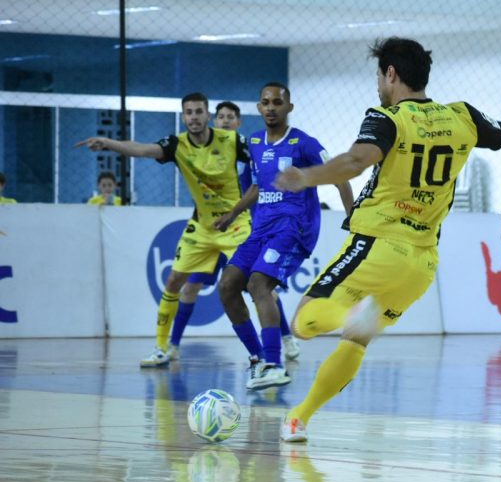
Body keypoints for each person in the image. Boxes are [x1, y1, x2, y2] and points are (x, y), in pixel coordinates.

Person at [273, 37, 501, 442]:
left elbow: (358, 160)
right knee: (356, 342)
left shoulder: (388, 118)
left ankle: (347, 316)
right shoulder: (462, 116)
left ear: (391, 74)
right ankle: (300, 418)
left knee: (304, 322)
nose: (378, 84)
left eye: (379, 75)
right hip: (421, 264)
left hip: (378, 244)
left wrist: (306, 177)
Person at [76, 92, 252, 367]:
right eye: (188, 113)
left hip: (236, 223)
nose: (193, 117)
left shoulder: (231, 141)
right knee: (173, 283)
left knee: (257, 283)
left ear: (208, 115)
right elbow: (142, 149)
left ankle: (274, 349)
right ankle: (162, 348)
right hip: (203, 226)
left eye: (198, 112)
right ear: (184, 117)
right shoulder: (175, 144)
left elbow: (263, 158)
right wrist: (109, 143)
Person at [214, 82, 353, 391]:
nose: (271, 107)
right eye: (266, 102)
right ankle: (258, 359)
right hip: (260, 228)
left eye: (278, 102)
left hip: (294, 227)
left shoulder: (304, 144)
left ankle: (275, 365)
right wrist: (233, 214)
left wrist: (352, 215)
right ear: (259, 107)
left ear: (288, 107)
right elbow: (256, 187)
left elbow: (338, 175)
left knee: (258, 284)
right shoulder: (253, 142)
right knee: (227, 286)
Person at [167, 101, 301, 362]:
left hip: (242, 231)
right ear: (214, 121)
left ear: (238, 123)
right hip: (213, 230)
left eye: (230, 117)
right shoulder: (212, 156)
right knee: (189, 287)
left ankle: (286, 339)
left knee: (261, 288)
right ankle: (172, 345)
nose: (225, 121)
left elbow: (264, 186)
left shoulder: (249, 154)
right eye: (221, 117)